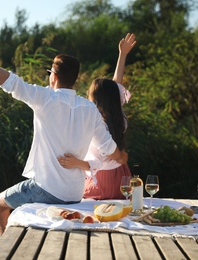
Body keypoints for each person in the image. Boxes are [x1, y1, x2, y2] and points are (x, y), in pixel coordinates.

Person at [0, 32, 127, 236]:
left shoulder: (45, 98)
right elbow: (109, 149)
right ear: (74, 79)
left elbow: (9, 82)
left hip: (47, 190)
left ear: (53, 76)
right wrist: (122, 156)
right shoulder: (90, 109)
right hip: (75, 193)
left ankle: (7, 252)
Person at [58, 33, 136, 200]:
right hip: (122, 175)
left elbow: (99, 162)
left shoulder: (95, 123)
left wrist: (76, 163)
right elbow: (117, 85)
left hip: (102, 180)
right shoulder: (118, 115)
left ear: (96, 100)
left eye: (89, 95)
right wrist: (122, 55)